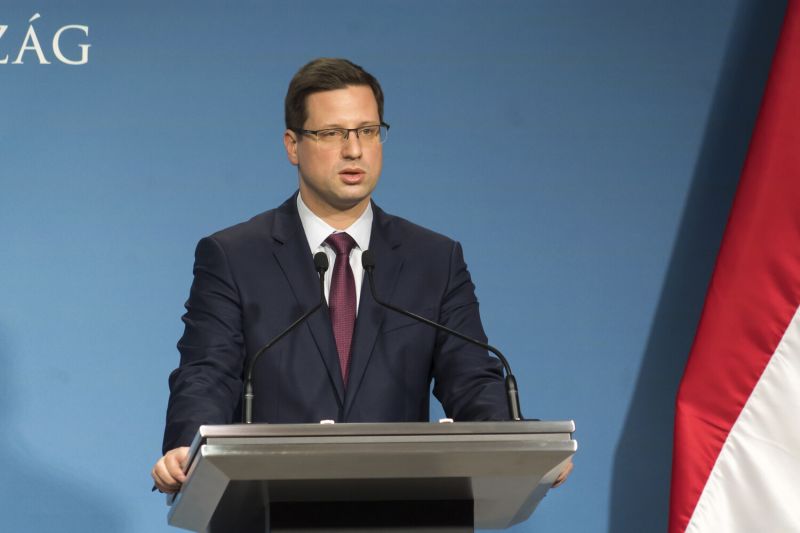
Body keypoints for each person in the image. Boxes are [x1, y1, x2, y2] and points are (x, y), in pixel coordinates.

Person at [151, 58, 572, 493]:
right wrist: (187, 447)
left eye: (367, 131)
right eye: (332, 133)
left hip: (401, 505)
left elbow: (471, 380)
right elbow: (208, 372)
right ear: (293, 145)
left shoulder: (434, 259)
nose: (354, 150)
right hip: (267, 502)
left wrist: (522, 449)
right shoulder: (235, 256)